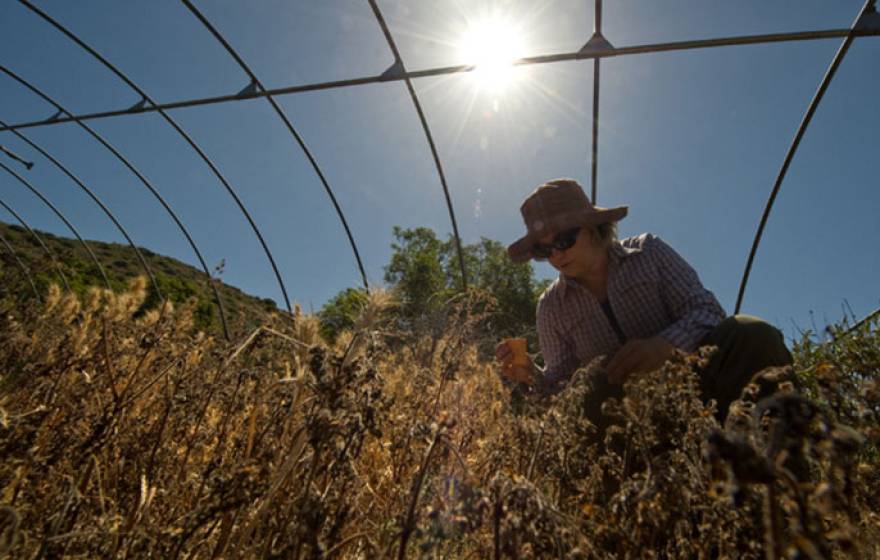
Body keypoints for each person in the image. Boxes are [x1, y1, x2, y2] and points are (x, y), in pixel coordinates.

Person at [495, 178, 793, 426]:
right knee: (590, 396)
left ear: (593, 227)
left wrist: (666, 346)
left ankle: (788, 467)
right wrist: (532, 377)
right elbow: (562, 389)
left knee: (750, 333)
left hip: (699, 385)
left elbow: (707, 311)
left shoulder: (649, 252)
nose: (556, 255)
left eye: (563, 241)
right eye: (545, 249)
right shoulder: (551, 307)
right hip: (624, 422)